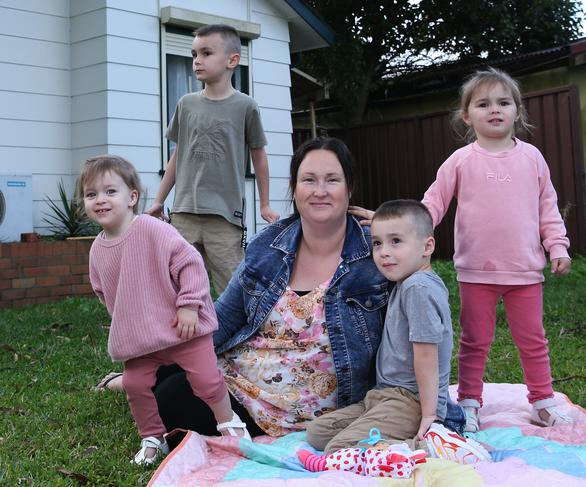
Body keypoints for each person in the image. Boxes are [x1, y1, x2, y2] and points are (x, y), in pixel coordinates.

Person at [350, 67, 574, 433]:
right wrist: (392, 222)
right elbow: (431, 205)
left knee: (533, 340)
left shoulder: (532, 158)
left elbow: (547, 207)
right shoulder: (461, 160)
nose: (495, 109)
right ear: (467, 116)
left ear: (517, 110)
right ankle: (470, 401)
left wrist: (558, 246)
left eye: (504, 102)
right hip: (476, 272)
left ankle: (542, 401)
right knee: (475, 341)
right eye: (483, 104)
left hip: (525, 271)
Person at [150, 137, 390, 437]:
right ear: (294, 187)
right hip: (241, 379)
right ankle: (139, 377)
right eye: (309, 180)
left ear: (349, 187)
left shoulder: (377, 252)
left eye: (332, 180)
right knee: (161, 368)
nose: (320, 191)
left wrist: (396, 230)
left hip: (316, 405)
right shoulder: (270, 244)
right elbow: (224, 317)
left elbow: (420, 295)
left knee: (168, 398)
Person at [81, 155, 250, 465]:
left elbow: (190, 264)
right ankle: (153, 437)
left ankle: (230, 424)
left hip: (181, 328)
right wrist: (125, 319)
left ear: (132, 197)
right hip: (142, 339)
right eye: (91, 194)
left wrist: (188, 305)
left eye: (109, 192)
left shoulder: (151, 229)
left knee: (206, 380)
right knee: (134, 384)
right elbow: (102, 292)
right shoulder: (97, 249)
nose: (100, 200)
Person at [303, 200, 488, 465]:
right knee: (317, 433)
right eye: (377, 243)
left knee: (339, 448)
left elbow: (426, 357)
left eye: (396, 241)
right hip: (383, 396)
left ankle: (432, 445)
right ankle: (416, 435)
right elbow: (409, 220)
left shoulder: (418, 289)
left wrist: (430, 415)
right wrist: (383, 219)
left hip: (409, 401)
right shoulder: (407, 281)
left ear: (427, 247)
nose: (384, 252)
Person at [147, 23, 279, 297]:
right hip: (184, 213)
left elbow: (259, 155)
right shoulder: (186, 104)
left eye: (206, 53)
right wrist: (159, 200)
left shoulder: (246, 107)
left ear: (232, 60)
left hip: (225, 218)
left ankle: (235, 339)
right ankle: (182, 337)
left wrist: (264, 204)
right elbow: (178, 155)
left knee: (234, 290)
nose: (197, 60)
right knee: (174, 285)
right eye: (194, 54)